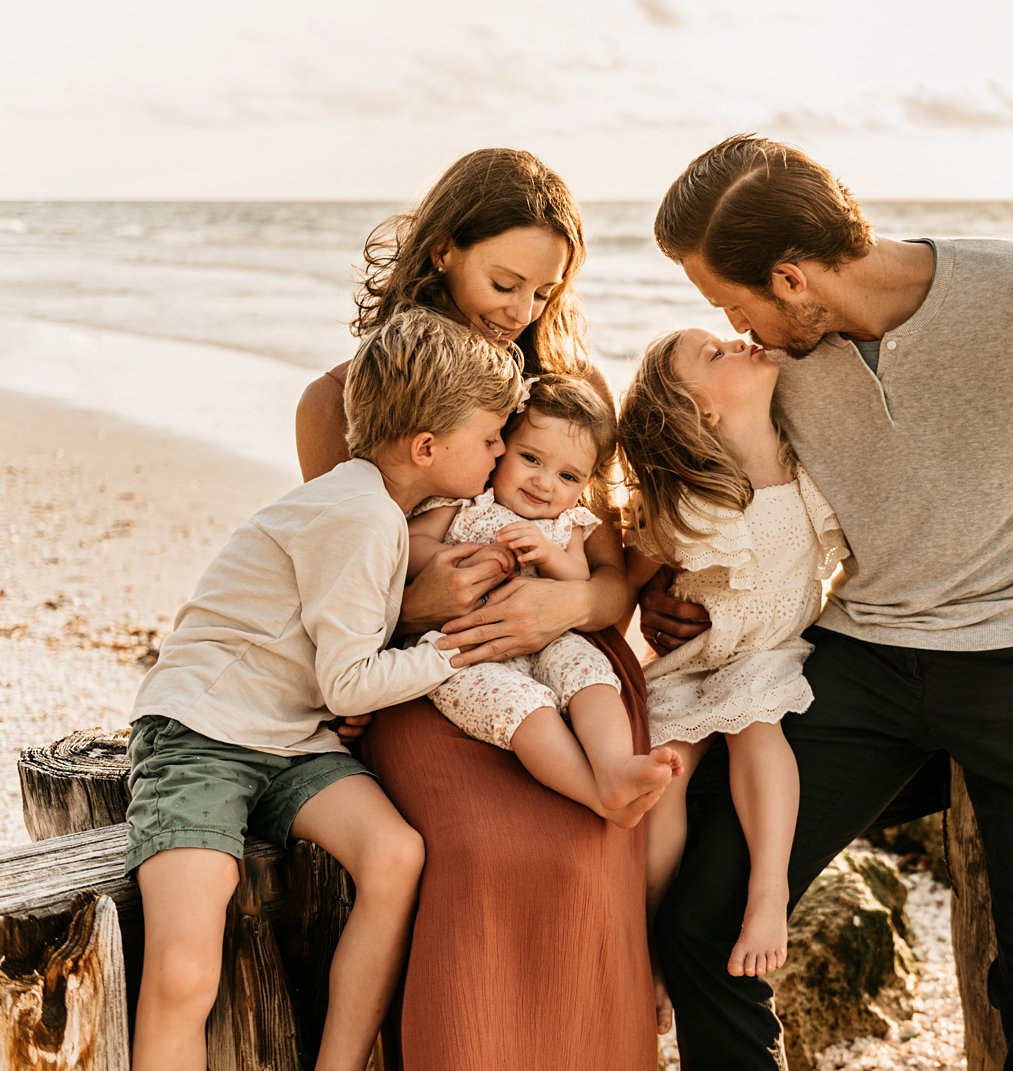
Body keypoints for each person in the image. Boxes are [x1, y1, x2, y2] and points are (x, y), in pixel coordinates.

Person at [640, 134, 1013, 1070]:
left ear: (792, 278)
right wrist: (672, 595)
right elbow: (721, 495)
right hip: (860, 655)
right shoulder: (774, 366)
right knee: (702, 922)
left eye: (731, 302)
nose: (734, 329)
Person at [295, 148, 658, 1071]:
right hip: (431, 674)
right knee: (489, 851)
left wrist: (563, 604)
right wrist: (424, 602)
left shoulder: (564, 396)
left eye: (542, 293)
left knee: (588, 843)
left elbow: (615, 582)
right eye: (505, 280)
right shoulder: (339, 403)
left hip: (568, 658)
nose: (520, 310)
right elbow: (345, 591)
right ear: (445, 249)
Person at [127, 307, 520, 1071]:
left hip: (290, 739)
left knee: (395, 853)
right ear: (428, 446)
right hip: (202, 734)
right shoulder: (363, 514)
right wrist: (452, 650)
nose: (502, 450)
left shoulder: (383, 507)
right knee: (182, 969)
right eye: (492, 436)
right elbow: (350, 684)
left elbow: (335, 681)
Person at [616, 327, 847, 1026]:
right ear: (703, 415)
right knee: (664, 775)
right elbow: (619, 588)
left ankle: (769, 893)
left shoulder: (810, 468)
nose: (739, 339)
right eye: (715, 354)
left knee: (755, 723)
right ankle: (650, 940)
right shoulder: (692, 502)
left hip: (769, 655)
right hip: (694, 665)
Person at [408, 373, 682, 825]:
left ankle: (614, 765)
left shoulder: (568, 525)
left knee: (590, 674)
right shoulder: (465, 503)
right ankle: (595, 793)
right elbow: (412, 545)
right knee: (523, 708)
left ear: (586, 484)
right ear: (499, 449)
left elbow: (581, 578)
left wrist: (550, 554)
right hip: (469, 654)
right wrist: (457, 556)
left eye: (567, 475)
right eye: (531, 458)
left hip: (552, 638)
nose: (544, 482)